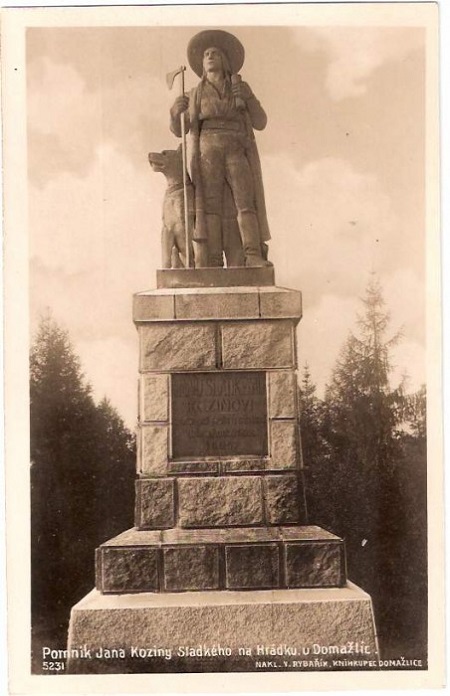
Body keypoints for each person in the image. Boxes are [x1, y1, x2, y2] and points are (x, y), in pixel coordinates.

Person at [169, 30, 271, 267]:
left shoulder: (239, 88)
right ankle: (213, 260)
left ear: (225, 61)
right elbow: (178, 130)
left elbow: (261, 122)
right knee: (210, 206)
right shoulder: (193, 94)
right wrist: (175, 112)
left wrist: (249, 99)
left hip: (236, 147)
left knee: (245, 201)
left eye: (215, 53)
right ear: (202, 65)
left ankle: (252, 255)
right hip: (207, 150)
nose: (210, 55)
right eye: (206, 54)